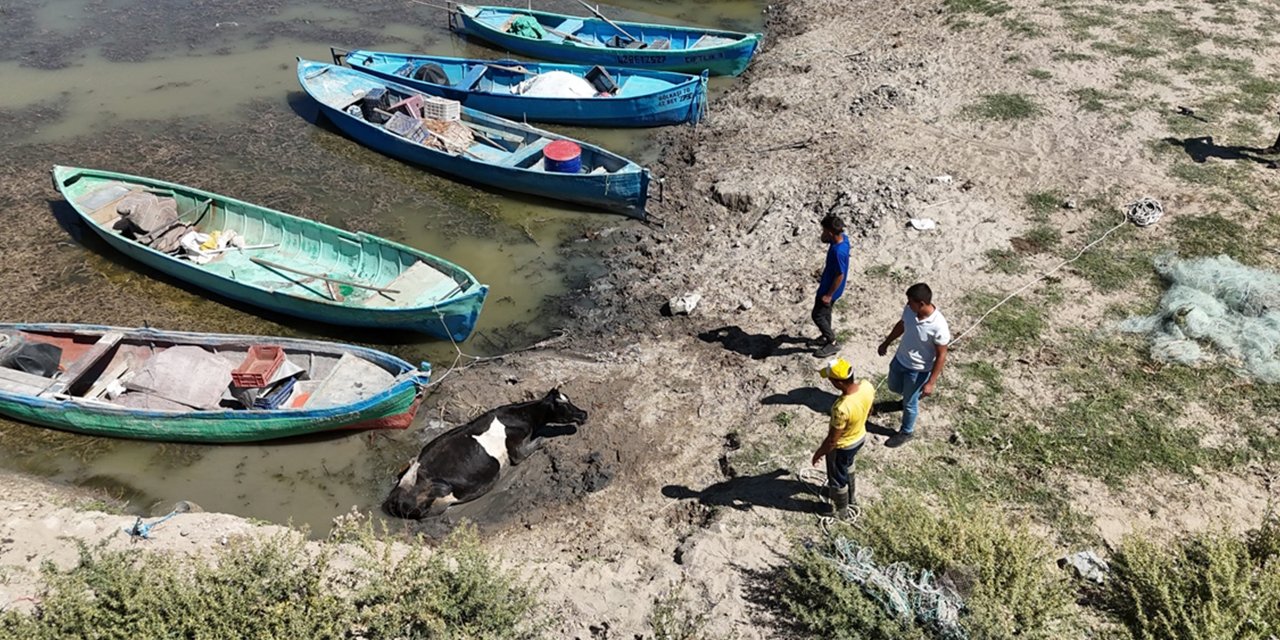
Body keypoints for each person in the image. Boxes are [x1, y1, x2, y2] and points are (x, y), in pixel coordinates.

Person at [877, 282, 950, 448]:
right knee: (894, 386)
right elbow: (902, 325)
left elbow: (941, 355)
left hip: (917, 371)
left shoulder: (939, 326)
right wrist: (886, 342)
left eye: (910, 301)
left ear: (921, 304)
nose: (907, 304)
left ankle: (906, 431)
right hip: (900, 360)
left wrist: (930, 382)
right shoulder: (910, 311)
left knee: (910, 403)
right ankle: (906, 400)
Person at [811, 357, 874, 518]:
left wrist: (819, 453)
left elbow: (833, 440)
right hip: (860, 437)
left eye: (831, 379)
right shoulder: (867, 386)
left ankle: (841, 511)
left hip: (843, 446)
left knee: (837, 477)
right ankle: (851, 498)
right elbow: (870, 409)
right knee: (848, 466)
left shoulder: (841, 408)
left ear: (839, 383)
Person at [812, 214, 850, 358]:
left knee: (817, 315)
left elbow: (840, 274)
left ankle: (832, 342)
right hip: (834, 289)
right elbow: (824, 240)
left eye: (824, 230)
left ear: (829, 232)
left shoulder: (837, 252)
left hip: (829, 288)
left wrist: (828, 294)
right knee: (826, 313)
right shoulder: (843, 240)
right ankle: (825, 335)